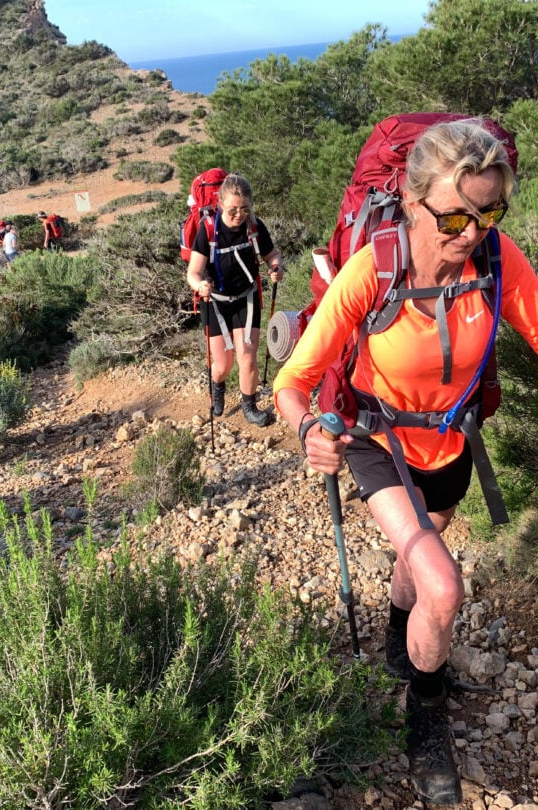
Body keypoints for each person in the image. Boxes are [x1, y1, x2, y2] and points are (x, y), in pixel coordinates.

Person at [273, 120, 538, 806]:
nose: (471, 231)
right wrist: (308, 431)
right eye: (453, 215)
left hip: (453, 443)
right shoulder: (375, 268)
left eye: (489, 213)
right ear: (414, 199)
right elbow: (292, 381)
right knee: (442, 587)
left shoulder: (498, 261)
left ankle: (400, 640)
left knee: (418, 562)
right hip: (378, 440)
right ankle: (425, 719)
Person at [187, 172, 283, 426]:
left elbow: (272, 255)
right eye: (232, 210)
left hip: (246, 298)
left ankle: (249, 406)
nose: (238, 215)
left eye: (244, 209)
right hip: (215, 302)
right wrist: (200, 286)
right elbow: (193, 272)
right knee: (223, 364)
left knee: (247, 356)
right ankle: (217, 391)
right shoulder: (207, 230)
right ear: (220, 205)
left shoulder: (254, 226)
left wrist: (275, 267)